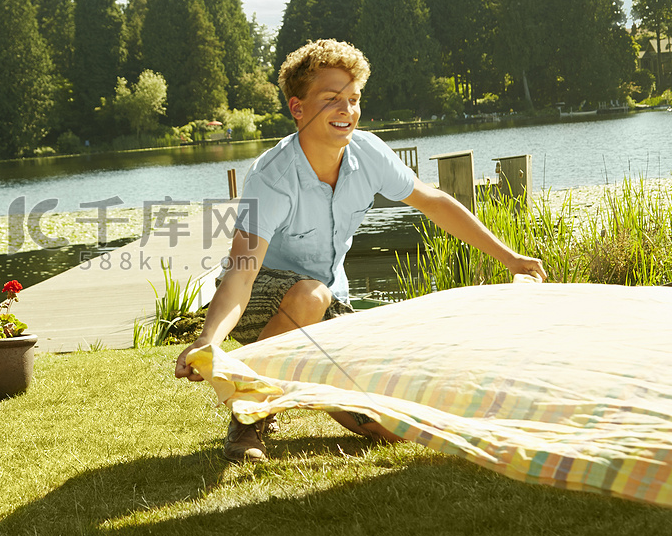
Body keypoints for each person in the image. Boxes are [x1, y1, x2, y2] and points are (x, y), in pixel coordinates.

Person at [174, 39, 547, 462]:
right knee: (310, 294)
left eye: (353, 100)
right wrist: (208, 340)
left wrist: (510, 258)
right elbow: (241, 271)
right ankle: (248, 420)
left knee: (387, 428)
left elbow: (434, 202)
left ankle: (291, 385)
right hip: (261, 297)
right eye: (332, 100)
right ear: (297, 108)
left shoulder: (368, 153)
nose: (346, 111)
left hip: (331, 301)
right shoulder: (272, 177)